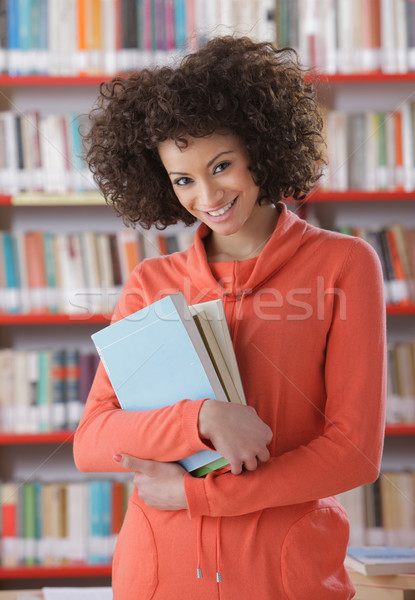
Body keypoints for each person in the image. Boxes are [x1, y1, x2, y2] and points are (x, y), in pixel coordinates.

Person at [73, 36, 386, 599]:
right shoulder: (152, 283)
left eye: (222, 166)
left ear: (260, 150)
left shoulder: (344, 266)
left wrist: (205, 496)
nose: (208, 195)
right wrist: (201, 417)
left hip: (283, 579)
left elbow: (355, 454)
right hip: (158, 577)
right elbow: (93, 439)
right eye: (183, 179)